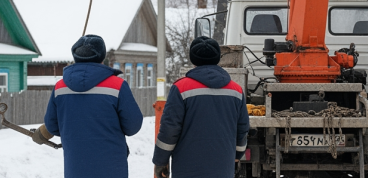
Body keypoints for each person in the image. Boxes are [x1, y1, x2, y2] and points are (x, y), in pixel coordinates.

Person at [31, 34, 143, 178]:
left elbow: (52, 126)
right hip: (112, 168)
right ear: (102, 57)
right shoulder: (117, 86)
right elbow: (133, 125)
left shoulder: (60, 87)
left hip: (75, 168)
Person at [152, 36, 250, 178]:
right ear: (218, 58)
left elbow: (169, 129)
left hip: (187, 170)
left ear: (193, 59)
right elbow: (242, 128)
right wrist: (237, 154)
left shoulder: (180, 88)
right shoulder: (236, 91)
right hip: (223, 170)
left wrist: (160, 161)